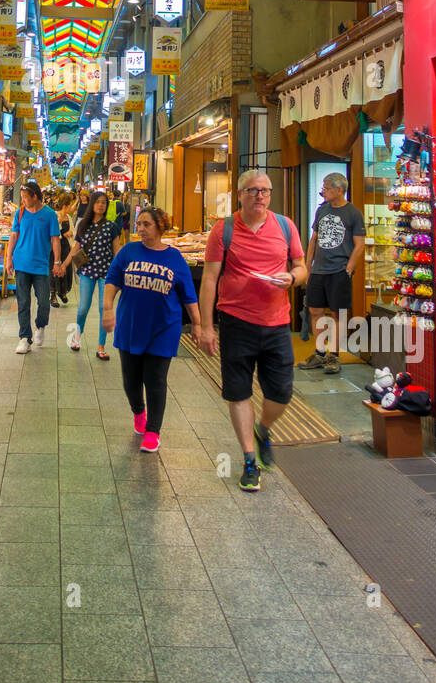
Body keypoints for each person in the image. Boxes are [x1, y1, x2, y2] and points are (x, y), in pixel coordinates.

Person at [198, 170, 307, 491]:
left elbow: (302, 268)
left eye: (265, 191)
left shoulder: (286, 227)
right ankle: (249, 459)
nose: (260, 196)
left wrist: (292, 278)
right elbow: (209, 279)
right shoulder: (224, 230)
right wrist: (206, 327)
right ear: (240, 194)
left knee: (281, 393)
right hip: (236, 322)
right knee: (238, 391)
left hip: (277, 324)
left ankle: (264, 428)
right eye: (252, 191)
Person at [102, 207, 200, 452]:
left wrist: (198, 324)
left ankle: (153, 431)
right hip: (130, 326)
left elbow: (189, 295)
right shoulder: (128, 251)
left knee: (155, 380)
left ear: (159, 227)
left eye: (146, 224)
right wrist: (107, 309)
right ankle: (138, 412)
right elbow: (113, 279)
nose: (140, 229)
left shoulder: (175, 259)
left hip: (163, 328)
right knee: (130, 381)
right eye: (138, 224)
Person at [299, 172, 366, 375]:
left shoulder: (353, 213)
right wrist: (307, 265)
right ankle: (319, 352)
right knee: (315, 310)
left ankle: (334, 355)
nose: (323, 191)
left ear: (339, 190)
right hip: (318, 269)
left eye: (327, 188)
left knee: (338, 313)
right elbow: (314, 239)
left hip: (339, 270)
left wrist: (348, 269)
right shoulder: (322, 211)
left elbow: (359, 244)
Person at [5, 180, 62, 354]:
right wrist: (9, 258)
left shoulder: (50, 214)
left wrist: (58, 262)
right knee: (23, 302)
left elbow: (55, 239)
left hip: (40, 265)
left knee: (44, 301)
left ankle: (41, 325)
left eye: (24, 197)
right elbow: (13, 236)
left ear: (34, 196)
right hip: (21, 263)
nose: (22, 200)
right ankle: (24, 338)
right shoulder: (20, 213)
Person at [61, 190, 118, 357]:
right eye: (98, 201)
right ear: (92, 204)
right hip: (87, 271)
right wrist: (63, 265)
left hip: (106, 272)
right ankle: (77, 337)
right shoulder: (83, 225)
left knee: (104, 308)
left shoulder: (111, 226)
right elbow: (76, 249)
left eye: (104, 202)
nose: (101, 205)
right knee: (83, 308)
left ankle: (101, 346)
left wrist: (122, 271)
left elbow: (117, 251)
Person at [51, 190, 76, 307]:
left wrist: (71, 233)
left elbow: (73, 231)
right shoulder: (55, 215)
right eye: (70, 204)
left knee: (65, 269)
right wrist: (62, 231)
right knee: (54, 269)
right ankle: (53, 295)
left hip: (66, 247)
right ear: (65, 205)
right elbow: (53, 232)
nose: (72, 207)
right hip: (55, 248)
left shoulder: (69, 217)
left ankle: (62, 292)